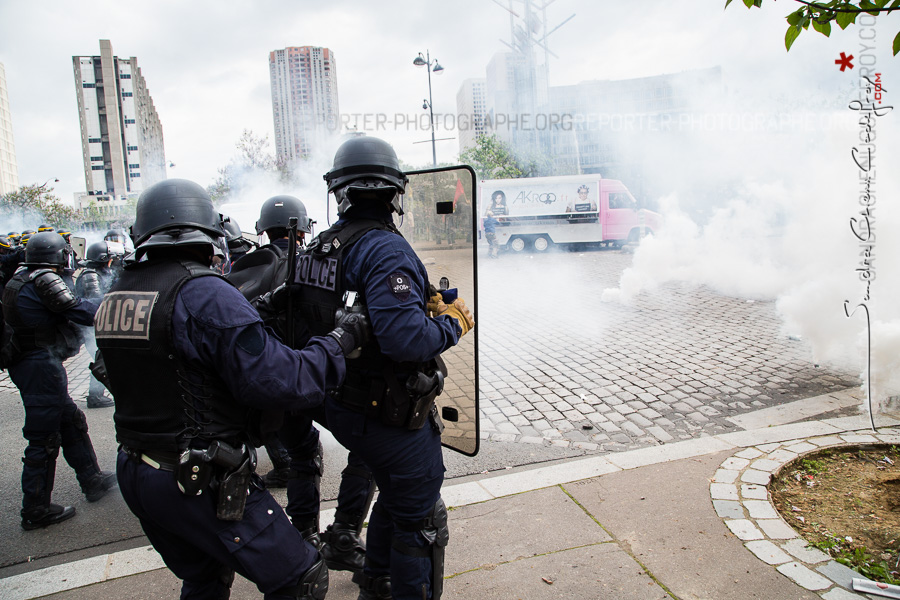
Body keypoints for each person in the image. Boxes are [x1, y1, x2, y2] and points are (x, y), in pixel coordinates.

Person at [95, 178, 370, 599]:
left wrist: (261, 307)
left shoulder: (118, 293)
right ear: (209, 237)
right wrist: (339, 341)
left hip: (137, 469)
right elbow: (285, 382)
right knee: (301, 578)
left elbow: (125, 366)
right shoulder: (203, 291)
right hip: (196, 476)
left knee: (206, 575)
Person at [295, 136, 474, 600]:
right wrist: (451, 324)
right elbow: (406, 339)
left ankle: (376, 581)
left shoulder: (321, 247)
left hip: (341, 406)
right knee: (420, 520)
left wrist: (418, 303)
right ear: (395, 193)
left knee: (394, 499)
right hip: (388, 415)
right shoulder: (384, 250)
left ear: (342, 192)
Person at [231, 194, 376, 576]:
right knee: (368, 450)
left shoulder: (243, 267)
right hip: (314, 376)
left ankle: (304, 536)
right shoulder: (311, 262)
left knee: (302, 455)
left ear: (264, 230)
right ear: (302, 227)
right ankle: (344, 535)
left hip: (273, 384)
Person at [2, 232, 117, 530]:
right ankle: (36, 509)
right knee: (43, 437)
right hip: (38, 365)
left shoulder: (21, 277)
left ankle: (92, 479)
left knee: (70, 420)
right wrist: (113, 304)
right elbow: (78, 309)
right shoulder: (43, 280)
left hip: (33, 363)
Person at [74, 241, 123, 408]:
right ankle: (95, 397)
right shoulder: (91, 276)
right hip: (91, 327)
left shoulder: (100, 272)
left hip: (95, 325)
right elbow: (96, 303)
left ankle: (96, 395)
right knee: (101, 359)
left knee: (101, 359)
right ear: (104, 258)